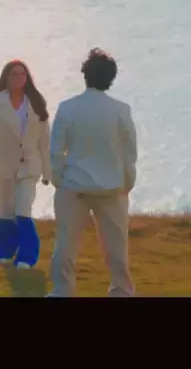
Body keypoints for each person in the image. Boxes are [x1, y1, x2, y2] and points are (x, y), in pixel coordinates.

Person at [47, 48, 137, 297]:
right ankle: (121, 291)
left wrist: (59, 179)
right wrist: (126, 183)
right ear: (110, 78)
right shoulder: (121, 110)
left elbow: (56, 151)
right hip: (111, 188)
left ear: (85, 75)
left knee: (66, 244)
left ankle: (62, 291)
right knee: (116, 247)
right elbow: (130, 152)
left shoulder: (68, 108)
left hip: (73, 186)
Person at [0, 59, 51, 269]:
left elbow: (45, 139)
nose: (19, 78)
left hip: (30, 166)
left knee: (23, 210)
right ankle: (4, 251)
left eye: (22, 74)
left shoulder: (36, 102)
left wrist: (48, 171)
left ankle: (27, 257)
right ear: (6, 78)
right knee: (5, 211)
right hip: (4, 167)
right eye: (14, 74)